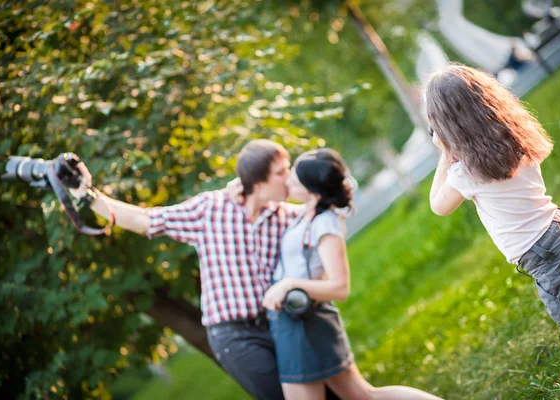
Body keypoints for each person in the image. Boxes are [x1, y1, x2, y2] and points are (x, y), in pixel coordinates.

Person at [71, 139, 300, 400]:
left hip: (281, 322)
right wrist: (88, 196)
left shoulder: (286, 216)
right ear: (257, 181)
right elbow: (143, 220)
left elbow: (325, 204)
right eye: (282, 172)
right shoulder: (211, 209)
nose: (289, 178)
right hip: (235, 335)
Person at [258, 148, 442, 400]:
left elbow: (339, 287)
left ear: (311, 188)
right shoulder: (305, 214)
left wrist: (287, 284)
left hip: (306, 320)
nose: (287, 179)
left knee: (365, 396)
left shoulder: (325, 223)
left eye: (294, 177)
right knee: (363, 396)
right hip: (294, 320)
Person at [426, 64, 560, 343]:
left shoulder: (466, 172)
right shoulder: (516, 134)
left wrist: (445, 153)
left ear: (447, 126)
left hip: (545, 256)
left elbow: (438, 205)